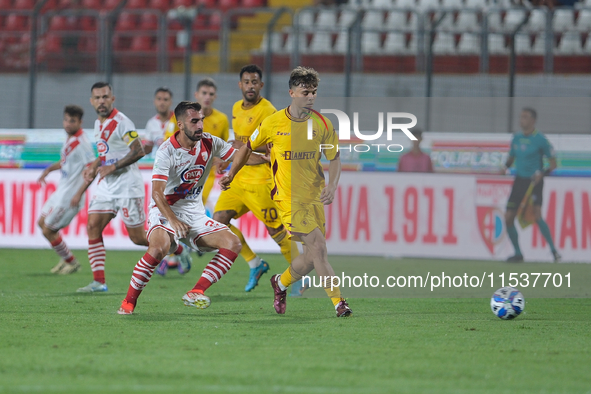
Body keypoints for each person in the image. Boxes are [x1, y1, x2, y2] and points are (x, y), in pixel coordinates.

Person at [220, 66, 352, 317]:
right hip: (287, 199)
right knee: (319, 247)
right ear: (292, 92)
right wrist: (231, 173)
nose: (310, 97)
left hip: (314, 197)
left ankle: (280, 282)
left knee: (312, 259)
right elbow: (247, 147)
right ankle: (339, 302)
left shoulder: (322, 124)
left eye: (314, 92)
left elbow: (334, 158)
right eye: (305, 92)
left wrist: (332, 186)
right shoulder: (272, 123)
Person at [117, 101, 269, 315]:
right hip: (164, 210)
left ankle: (196, 291)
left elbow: (239, 155)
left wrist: (265, 159)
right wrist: (173, 220)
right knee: (158, 249)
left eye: (202, 121)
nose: (200, 126)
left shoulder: (210, 142)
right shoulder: (166, 151)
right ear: (180, 124)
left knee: (232, 243)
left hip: (193, 213)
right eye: (194, 121)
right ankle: (128, 303)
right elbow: (157, 193)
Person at [78, 82, 191, 292]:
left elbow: (138, 150)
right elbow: (105, 154)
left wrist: (113, 167)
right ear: (92, 101)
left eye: (105, 97)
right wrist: (93, 166)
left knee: (138, 238)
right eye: (97, 97)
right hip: (107, 186)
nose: (102, 101)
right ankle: (99, 282)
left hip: (128, 185)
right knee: (93, 226)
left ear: (112, 99)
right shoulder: (97, 124)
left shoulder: (121, 122)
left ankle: (178, 248)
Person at [214, 64, 300, 292]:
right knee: (218, 221)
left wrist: (246, 146)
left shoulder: (269, 111)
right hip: (239, 180)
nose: (250, 86)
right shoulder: (235, 108)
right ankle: (255, 263)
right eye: (246, 82)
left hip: (261, 182)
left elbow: (275, 143)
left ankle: (298, 273)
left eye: (254, 82)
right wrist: (231, 158)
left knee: (276, 231)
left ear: (261, 85)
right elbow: (239, 145)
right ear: (240, 84)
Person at [37, 105, 95, 274]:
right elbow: (65, 162)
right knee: (42, 224)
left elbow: (92, 169)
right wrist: (49, 170)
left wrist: (79, 193)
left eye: (72, 121)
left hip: (70, 196)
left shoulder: (82, 143)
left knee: (49, 230)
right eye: (66, 120)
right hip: (61, 191)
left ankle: (71, 262)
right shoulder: (69, 139)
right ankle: (66, 259)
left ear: (80, 122)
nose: (68, 124)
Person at [504, 107, 560, 263]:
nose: (521, 120)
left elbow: (553, 163)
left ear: (533, 120)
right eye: (521, 117)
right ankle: (518, 253)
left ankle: (554, 251)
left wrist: (542, 173)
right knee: (508, 218)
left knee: (536, 215)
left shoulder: (541, 139)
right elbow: (511, 158)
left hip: (534, 181)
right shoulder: (516, 138)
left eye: (525, 117)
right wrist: (504, 167)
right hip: (519, 181)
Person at [143, 87, 175, 156]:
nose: (162, 102)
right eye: (159, 99)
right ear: (154, 101)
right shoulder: (151, 123)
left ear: (170, 102)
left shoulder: (178, 120)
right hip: (161, 164)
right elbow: (148, 148)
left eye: (165, 99)